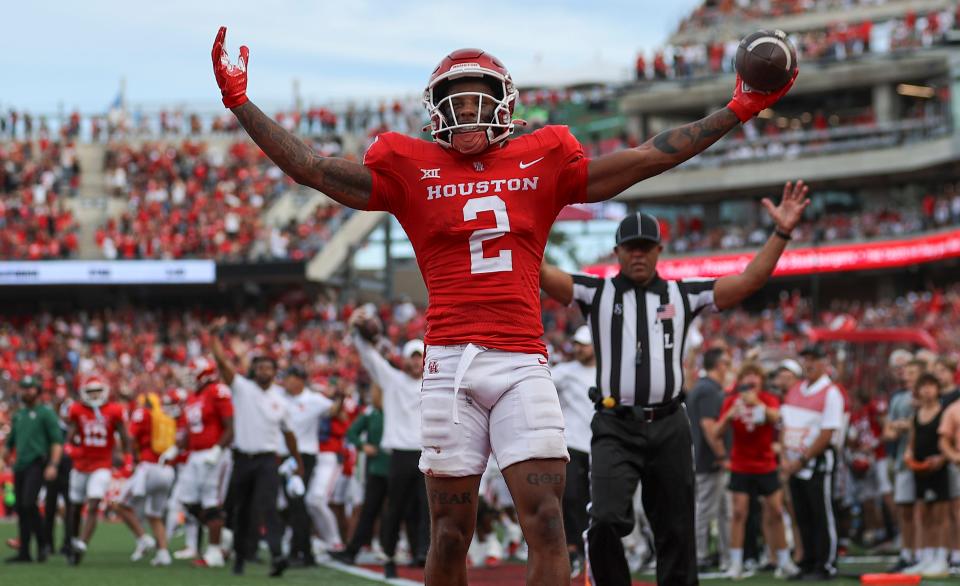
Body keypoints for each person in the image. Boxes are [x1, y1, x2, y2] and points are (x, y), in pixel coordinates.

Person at [211, 26, 797, 584]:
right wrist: (241, 104)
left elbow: (647, 157)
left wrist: (739, 108)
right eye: (456, 102)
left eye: (478, 100)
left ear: (504, 103)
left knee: (547, 520)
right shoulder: (408, 168)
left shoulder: (544, 159)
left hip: (521, 360)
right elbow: (310, 168)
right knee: (447, 534)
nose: (467, 111)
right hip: (447, 363)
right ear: (437, 108)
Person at [538, 180, 809, 586]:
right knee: (606, 519)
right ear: (617, 253)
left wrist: (782, 232)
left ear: (659, 251)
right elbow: (539, 271)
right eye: (631, 247)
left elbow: (749, 280)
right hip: (615, 424)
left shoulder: (685, 295)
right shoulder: (595, 292)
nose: (638, 254)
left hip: (669, 424)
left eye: (646, 247)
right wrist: (520, 221)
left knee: (677, 532)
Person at [209, 320, 306, 578]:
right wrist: (213, 337)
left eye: (268, 367)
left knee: (267, 507)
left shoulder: (280, 400)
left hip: (266, 461)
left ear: (275, 372)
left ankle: (276, 555)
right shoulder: (243, 388)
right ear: (254, 371)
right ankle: (240, 557)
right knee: (240, 511)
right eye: (260, 367)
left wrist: (297, 462)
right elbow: (222, 363)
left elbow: (289, 434)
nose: (264, 370)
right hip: (242, 460)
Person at [334, 310, 428, 578]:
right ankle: (388, 555)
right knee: (393, 508)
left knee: (425, 508)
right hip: (399, 454)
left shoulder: (433, 383)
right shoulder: (394, 381)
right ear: (404, 361)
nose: (414, 363)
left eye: (418, 358)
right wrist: (356, 331)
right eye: (410, 358)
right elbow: (369, 358)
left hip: (424, 454)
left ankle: (423, 552)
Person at [714, 363, 799, 579]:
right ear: (741, 381)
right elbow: (716, 432)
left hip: (766, 464)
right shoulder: (731, 401)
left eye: (755, 376)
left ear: (761, 380)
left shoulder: (768, 399)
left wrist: (757, 404)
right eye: (747, 376)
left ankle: (784, 561)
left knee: (776, 512)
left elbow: (776, 417)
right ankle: (735, 563)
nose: (751, 380)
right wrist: (729, 415)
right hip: (741, 465)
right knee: (739, 513)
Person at [780, 345, 845, 580]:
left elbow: (827, 432)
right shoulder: (796, 389)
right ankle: (807, 561)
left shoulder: (830, 392)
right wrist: (787, 458)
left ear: (824, 362)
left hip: (817, 461)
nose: (809, 364)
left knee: (821, 513)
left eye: (813, 359)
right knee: (802, 513)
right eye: (805, 359)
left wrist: (803, 459)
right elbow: (786, 425)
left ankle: (826, 563)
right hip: (795, 460)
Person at [63, 374, 132, 565]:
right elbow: (69, 438)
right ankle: (73, 541)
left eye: (97, 391)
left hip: (102, 464)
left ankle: (82, 544)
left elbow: (125, 436)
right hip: (81, 465)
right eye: (90, 392)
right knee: (75, 507)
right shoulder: (77, 410)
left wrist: (127, 458)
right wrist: (70, 450)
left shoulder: (115, 410)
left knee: (93, 502)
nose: (94, 396)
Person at [176, 356, 234, 569]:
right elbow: (193, 429)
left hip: (214, 454)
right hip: (195, 454)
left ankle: (214, 553)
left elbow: (230, 425)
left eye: (193, 373)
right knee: (187, 501)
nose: (189, 378)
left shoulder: (218, 391)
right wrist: (179, 446)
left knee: (211, 502)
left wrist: (218, 449)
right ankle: (222, 535)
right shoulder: (195, 396)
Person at [0, 375, 63, 563]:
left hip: (37, 463)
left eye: (30, 388)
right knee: (21, 507)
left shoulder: (46, 413)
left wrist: (53, 464)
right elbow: (9, 443)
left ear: (37, 391)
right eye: (24, 388)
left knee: (28, 503)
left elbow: (57, 441)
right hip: (20, 465)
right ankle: (25, 552)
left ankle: (43, 543)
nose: (26, 391)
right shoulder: (19, 415)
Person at [550, 325, 597, 577]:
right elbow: (540, 383)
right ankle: (572, 549)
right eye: (577, 344)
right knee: (570, 499)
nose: (578, 349)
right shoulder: (566, 371)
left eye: (583, 344)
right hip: (571, 446)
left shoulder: (607, 373)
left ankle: (590, 551)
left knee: (595, 503)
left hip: (599, 447)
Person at [115, 390, 180, 567]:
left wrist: (128, 455)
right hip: (168, 471)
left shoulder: (143, 414)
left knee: (119, 503)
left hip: (149, 468)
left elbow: (129, 436)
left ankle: (143, 538)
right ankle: (163, 553)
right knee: (155, 514)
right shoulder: (166, 417)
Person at [278, 365, 334, 567]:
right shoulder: (281, 398)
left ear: (300, 380)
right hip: (286, 456)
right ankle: (301, 550)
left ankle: (302, 552)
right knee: (292, 504)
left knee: (297, 503)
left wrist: (341, 396)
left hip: (304, 456)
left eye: (290, 378)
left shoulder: (313, 399)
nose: (286, 382)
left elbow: (333, 409)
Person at [686, 346, 732, 571]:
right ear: (718, 365)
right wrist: (722, 455)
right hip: (709, 458)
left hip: (706, 457)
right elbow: (708, 426)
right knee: (705, 510)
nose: (728, 368)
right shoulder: (709, 389)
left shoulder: (702, 387)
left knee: (724, 510)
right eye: (726, 363)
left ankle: (726, 556)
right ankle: (699, 555)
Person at [902, 373, 950, 577]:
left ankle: (941, 557)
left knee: (941, 515)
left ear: (938, 389)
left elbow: (949, 440)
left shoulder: (943, 413)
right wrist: (909, 455)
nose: (927, 390)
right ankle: (927, 557)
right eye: (924, 386)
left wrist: (942, 459)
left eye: (931, 386)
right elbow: (912, 441)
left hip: (938, 469)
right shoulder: (917, 414)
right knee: (924, 514)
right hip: (920, 470)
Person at [339, 384, 391, 566]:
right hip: (377, 467)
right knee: (370, 509)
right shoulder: (371, 413)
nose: (373, 396)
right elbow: (351, 432)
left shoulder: (399, 409)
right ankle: (355, 548)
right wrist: (363, 447)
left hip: (400, 466)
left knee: (401, 511)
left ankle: (400, 548)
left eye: (377, 392)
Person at [884, 357, 926, 571]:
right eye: (905, 372)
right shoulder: (899, 398)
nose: (906, 377)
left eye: (912, 373)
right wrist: (899, 428)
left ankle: (922, 553)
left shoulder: (930, 398)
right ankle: (907, 552)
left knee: (922, 509)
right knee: (905, 509)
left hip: (923, 460)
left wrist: (907, 425)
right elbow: (888, 431)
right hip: (902, 459)